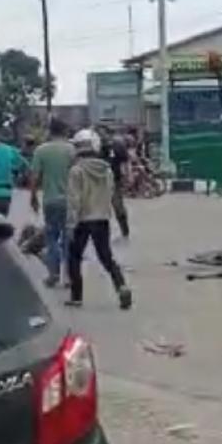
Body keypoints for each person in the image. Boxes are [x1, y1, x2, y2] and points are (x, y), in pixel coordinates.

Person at [66, 129, 132, 310]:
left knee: (74, 257)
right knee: (106, 257)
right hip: (102, 218)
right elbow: (110, 193)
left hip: (82, 219)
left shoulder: (76, 170)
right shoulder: (107, 170)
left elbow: (74, 200)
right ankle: (122, 286)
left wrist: (70, 224)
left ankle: (76, 296)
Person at [30, 117, 76, 287]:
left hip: (50, 200)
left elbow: (34, 176)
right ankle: (69, 277)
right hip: (70, 201)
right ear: (64, 131)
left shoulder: (41, 150)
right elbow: (78, 175)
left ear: (50, 131)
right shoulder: (72, 150)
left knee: (51, 237)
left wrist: (33, 197)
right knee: (68, 238)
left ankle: (53, 274)